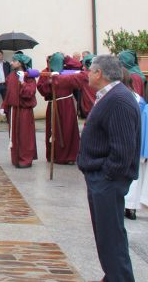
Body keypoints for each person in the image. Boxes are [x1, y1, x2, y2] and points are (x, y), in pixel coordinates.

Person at [78, 54, 140, 282]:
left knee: (111, 238)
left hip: (107, 181)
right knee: (106, 238)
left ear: (99, 74)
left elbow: (123, 150)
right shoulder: (110, 95)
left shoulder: (119, 100)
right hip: (101, 178)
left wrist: (105, 177)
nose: (87, 74)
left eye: (90, 70)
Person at [37, 53, 81, 164]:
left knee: (69, 129)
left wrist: (67, 58)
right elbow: (42, 89)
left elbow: (78, 66)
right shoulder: (46, 71)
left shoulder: (67, 70)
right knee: (54, 130)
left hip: (68, 104)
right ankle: (55, 156)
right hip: (54, 104)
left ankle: (70, 156)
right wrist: (49, 82)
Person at [2, 53, 38, 168]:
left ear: (20, 63)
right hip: (14, 110)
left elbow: (30, 93)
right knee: (14, 135)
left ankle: (25, 159)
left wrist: (23, 82)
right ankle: (16, 158)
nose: (11, 63)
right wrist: (4, 105)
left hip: (24, 111)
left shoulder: (29, 77)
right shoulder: (11, 76)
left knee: (25, 135)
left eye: (14, 61)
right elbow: (9, 92)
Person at [124, 68, 148, 221]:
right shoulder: (141, 103)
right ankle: (130, 206)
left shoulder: (142, 104)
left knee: (136, 179)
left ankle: (130, 207)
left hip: (136, 145)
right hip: (138, 145)